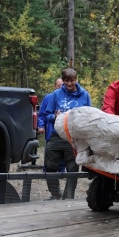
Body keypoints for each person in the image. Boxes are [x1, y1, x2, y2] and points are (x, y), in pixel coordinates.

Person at [43, 68, 92, 200]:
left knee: (72, 169)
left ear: (76, 80)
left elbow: (90, 116)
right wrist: (54, 116)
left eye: (71, 81)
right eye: (66, 81)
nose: (69, 84)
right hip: (56, 136)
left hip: (74, 139)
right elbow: (47, 115)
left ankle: (68, 197)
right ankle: (55, 194)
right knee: (50, 166)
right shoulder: (56, 94)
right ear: (63, 81)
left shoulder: (85, 95)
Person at [36, 77, 65, 174]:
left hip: (64, 132)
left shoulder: (67, 99)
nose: (61, 88)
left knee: (64, 150)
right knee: (50, 151)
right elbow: (41, 115)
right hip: (50, 130)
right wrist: (41, 126)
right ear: (55, 86)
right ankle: (47, 171)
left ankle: (61, 170)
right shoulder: (48, 98)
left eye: (62, 85)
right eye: (59, 86)